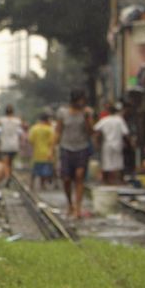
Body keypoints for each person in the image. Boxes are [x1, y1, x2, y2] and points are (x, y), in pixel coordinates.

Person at [53, 89, 93, 218]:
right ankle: (70, 204)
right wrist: (52, 148)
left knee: (79, 176)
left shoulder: (87, 113)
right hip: (66, 148)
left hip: (82, 148)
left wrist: (87, 118)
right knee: (66, 179)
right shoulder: (63, 113)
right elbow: (58, 130)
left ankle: (78, 208)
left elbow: (90, 131)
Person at [93, 103, 130, 185]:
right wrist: (129, 143)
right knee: (119, 163)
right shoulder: (119, 120)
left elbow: (96, 130)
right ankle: (120, 180)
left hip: (107, 144)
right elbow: (125, 133)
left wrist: (96, 142)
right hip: (117, 143)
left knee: (107, 162)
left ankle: (106, 180)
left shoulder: (105, 120)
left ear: (108, 111)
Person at [0, 105, 23, 183]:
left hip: (5, 145)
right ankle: (9, 176)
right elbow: (22, 127)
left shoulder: (2, 119)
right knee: (10, 163)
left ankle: (7, 178)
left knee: (5, 163)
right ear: (13, 112)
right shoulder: (17, 120)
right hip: (15, 145)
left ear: (5, 112)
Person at [28, 113, 55, 190]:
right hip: (47, 153)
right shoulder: (49, 129)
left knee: (34, 170)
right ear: (47, 120)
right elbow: (52, 142)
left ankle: (31, 185)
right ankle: (42, 185)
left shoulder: (34, 128)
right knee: (44, 171)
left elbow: (30, 140)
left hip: (36, 153)